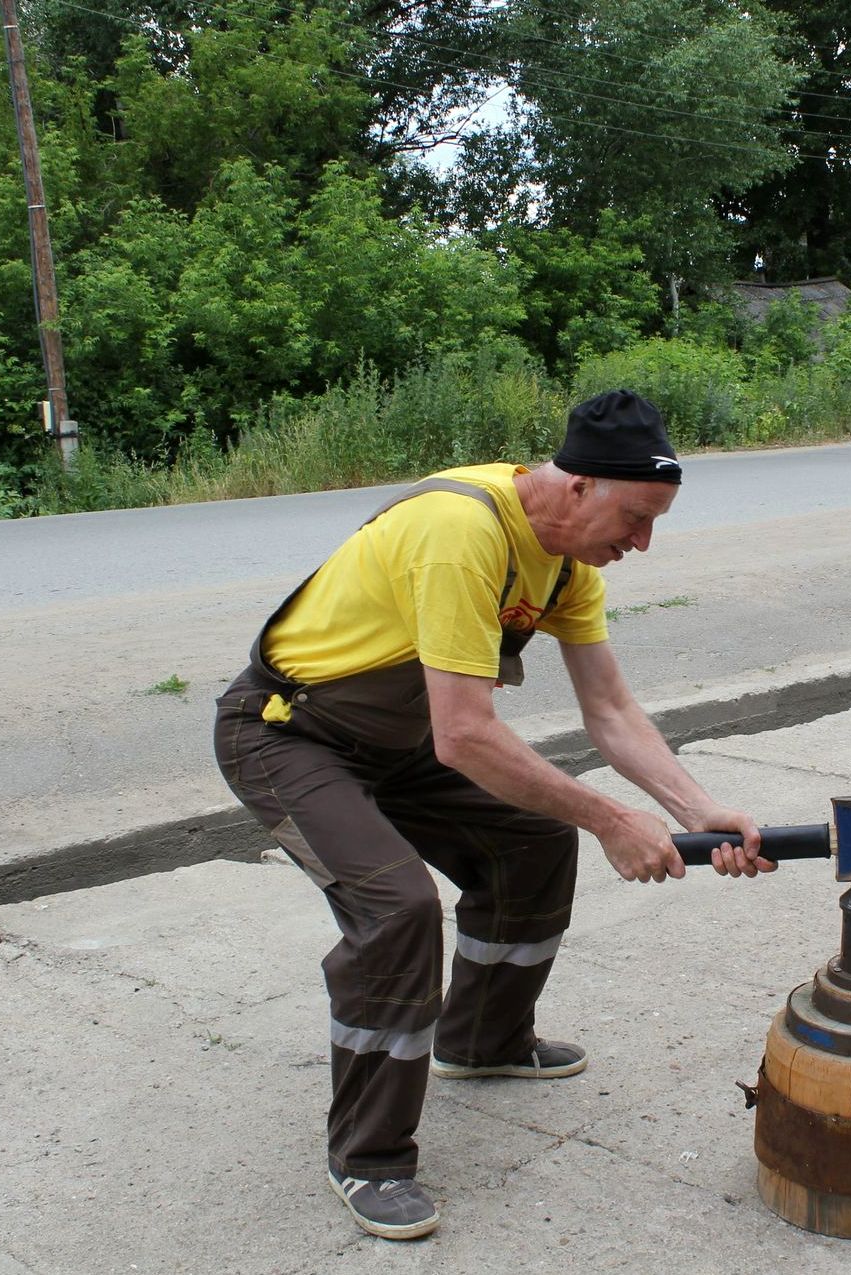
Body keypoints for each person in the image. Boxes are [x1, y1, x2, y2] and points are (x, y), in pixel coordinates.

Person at [212, 389, 769, 1241]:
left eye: (658, 521)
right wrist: (613, 819)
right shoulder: (461, 532)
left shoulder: (568, 564)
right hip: (290, 737)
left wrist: (699, 808)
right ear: (580, 485)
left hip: (402, 744)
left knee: (533, 840)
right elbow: (467, 735)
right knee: (396, 909)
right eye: (637, 517)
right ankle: (367, 1157)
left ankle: (483, 1038)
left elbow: (611, 712)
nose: (643, 542)